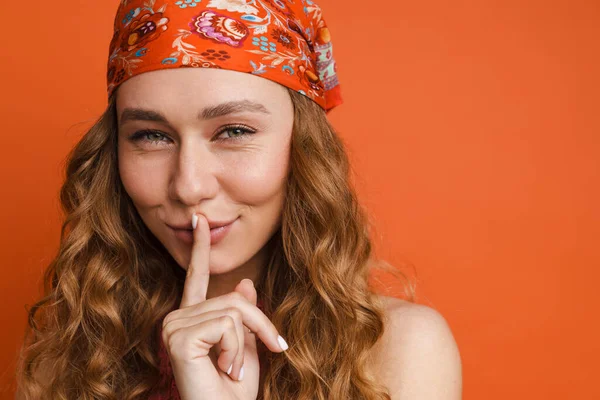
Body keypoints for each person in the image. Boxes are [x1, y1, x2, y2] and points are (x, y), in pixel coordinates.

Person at [15, 0, 462, 399]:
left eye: (234, 131)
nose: (188, 187)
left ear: (304, 149)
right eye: (151, 136)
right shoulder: (74, 354)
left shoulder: (397, 350)